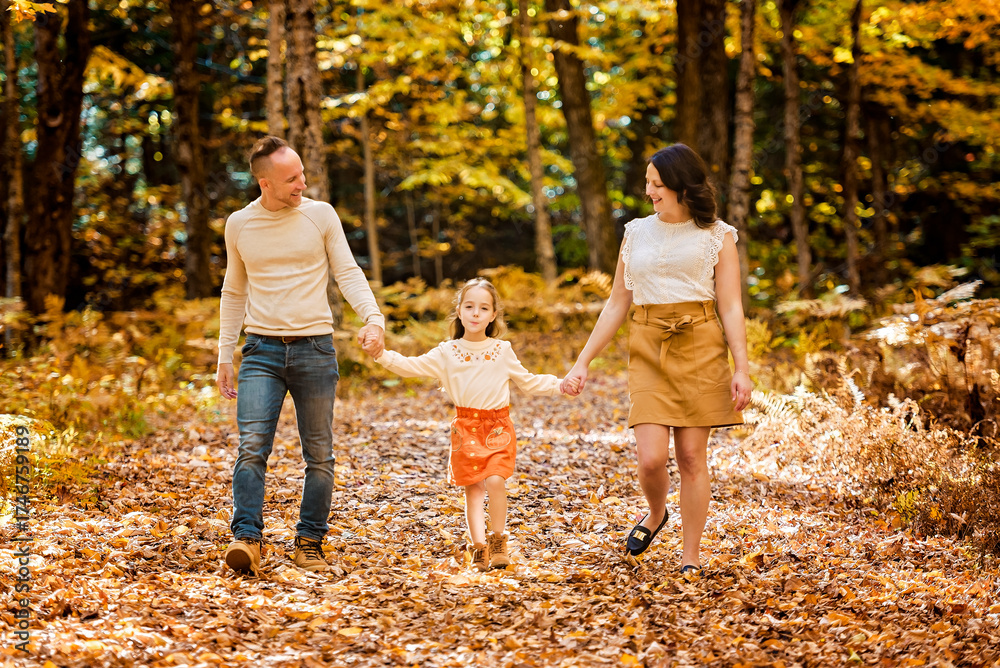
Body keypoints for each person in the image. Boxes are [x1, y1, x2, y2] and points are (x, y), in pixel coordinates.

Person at [561, 143, 753, 573]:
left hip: (701, 343)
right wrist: (582, 361)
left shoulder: (719, 236)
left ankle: (690, 558)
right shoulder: (635, 233)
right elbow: (615, 304)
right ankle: (656, 512)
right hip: (648, 343)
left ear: (683, 187)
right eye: (647, 183)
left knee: (689, 457)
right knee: (649, 458)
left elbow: (731, 307)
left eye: (657, 184)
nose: (649, 191)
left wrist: (741, 368)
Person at [216, 136, 385, 576]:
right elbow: (233, 291)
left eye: (302, 174)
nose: (301, 183)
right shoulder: (239, 224)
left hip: (314, 348)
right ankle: (247, 539)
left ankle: (309, 542)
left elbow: (347, 271)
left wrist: (373, 318)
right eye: (291, 178)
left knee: (320, 454)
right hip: (260, 350)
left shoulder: (320, 215)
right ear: (264, 182)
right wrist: (223, 355)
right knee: (252, 448)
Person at [372, 278, 577, 571]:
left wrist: (561, 385)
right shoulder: (447, 352)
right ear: (459, 311)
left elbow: (529, 382)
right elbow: (411, 366)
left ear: (493, 315)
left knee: (495, 480)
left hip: (497, 427)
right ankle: (478, 546)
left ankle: (498, 540)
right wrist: (381, 355)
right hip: (465, 427)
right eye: (469, 306)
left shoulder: (501, 350)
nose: (476, 313)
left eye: (483, 308)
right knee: (473, 490)